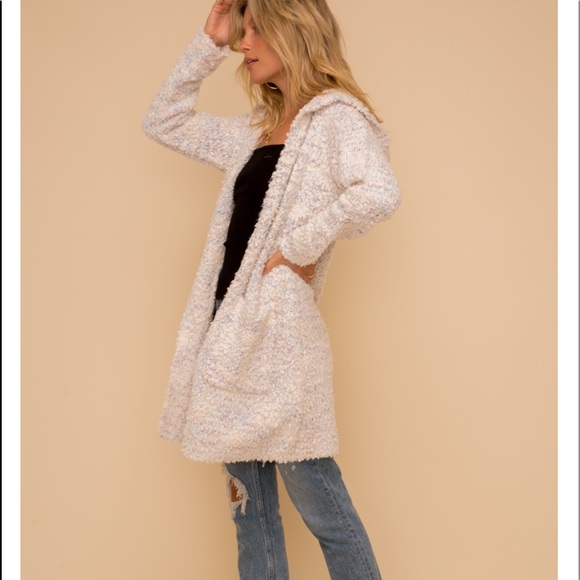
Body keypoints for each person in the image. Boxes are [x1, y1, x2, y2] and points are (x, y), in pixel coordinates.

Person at [142, 0, 400, 577]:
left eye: (255, 30)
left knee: (322, 506)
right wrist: (208, 42)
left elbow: (378, 191)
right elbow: (164, 120)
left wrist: (299, 247)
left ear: (294, 31)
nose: (244, 43)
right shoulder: (256, 129)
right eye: (242, 32)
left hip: (279, 337)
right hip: (226, 332)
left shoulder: (337, 119)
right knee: (249, 514)